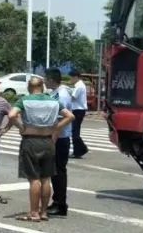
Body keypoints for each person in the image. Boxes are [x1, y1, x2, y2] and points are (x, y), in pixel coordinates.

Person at [8, 75, 73, 222]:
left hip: (31, 140)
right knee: (46, 178)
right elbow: (70, 116)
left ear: (30, 88)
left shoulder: (24, 100)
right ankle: (44, 212)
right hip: (48, 141)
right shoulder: (53, 100)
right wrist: (56, 127)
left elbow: (12, 115)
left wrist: (21, 127)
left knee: (34, 179)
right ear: (42, 86)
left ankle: (34, 212)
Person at [45, 68, 73, 217]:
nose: (44, 80)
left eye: (46, 78)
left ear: (51, 79)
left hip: (60, 138)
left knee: (58, 172)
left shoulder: (61, 95)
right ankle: (57, 202)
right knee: (55, 172)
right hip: (57, 136)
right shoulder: (55, 93)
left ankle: (60, 204)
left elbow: (62, 118)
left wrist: (53, 138)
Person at [69, 70, 89, 159]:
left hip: (78, 110)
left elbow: (73, 97)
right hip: (78, 110)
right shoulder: (79, 85)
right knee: (75, 131)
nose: (70, 79)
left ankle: (80, 150)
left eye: (71, 77)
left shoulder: (79, 86)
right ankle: (79, 150)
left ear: (76, 77)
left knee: (74, 131)